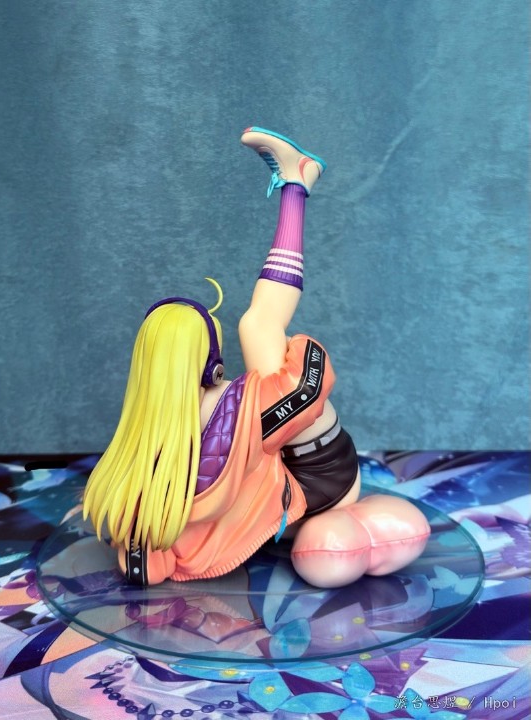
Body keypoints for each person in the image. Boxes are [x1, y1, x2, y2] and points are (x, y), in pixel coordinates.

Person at [83, 127, 430, 588]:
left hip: (290, 474)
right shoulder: (234, 404)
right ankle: (296, 186)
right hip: (321, 480)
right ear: (208, 360)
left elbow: (142, 560)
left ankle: (298, 181)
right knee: (258, 327)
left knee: (261, 345)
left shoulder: (143, 440)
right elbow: (303, 381)